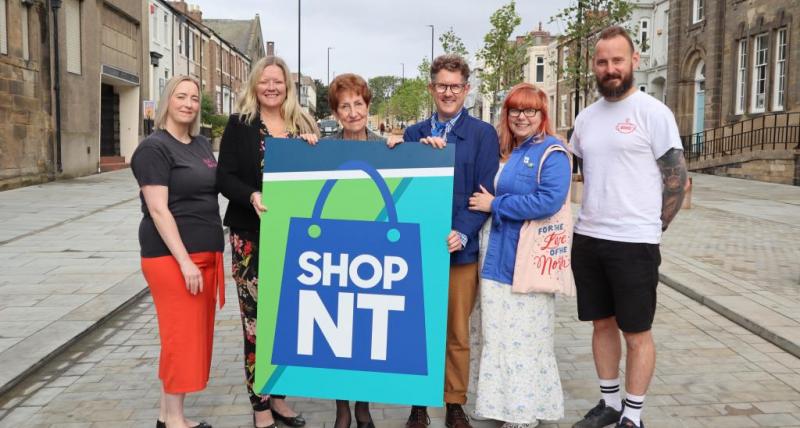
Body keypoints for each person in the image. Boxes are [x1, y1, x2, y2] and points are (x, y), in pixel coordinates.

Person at [569, 26, 688, 428]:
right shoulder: (584, 119)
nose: (610, 68)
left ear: (634, 61)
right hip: (589, 237)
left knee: (636, 331)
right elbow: (580, 169)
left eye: (617, 60)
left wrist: (654, 228)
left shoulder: (653, 113)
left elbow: (676, 177)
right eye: (602, 62)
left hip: (634, 242)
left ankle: (633, 415)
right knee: (601, 323)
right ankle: (609, 403)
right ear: (594, 66)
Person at [390, 54, 500, 428]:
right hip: (416, 252)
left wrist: (463, 230)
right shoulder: (412, 134)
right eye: (442, 85)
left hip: (459, 251)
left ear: (467, 90)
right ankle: (418, 403)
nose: (448, 92)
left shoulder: (483, 135)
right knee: (416, 330)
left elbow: (483, 194)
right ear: (431, 88)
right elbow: (401, 192)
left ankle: (454, 401)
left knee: (456, 331)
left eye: (456, 86)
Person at [216, 56, 318, 428]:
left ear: (287, 86)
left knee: (288, 321)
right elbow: (224, 178)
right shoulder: (240, 126)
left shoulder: (301, 124)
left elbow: (320, 175)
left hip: (296, 240)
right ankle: (260, 407)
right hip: (251, 237)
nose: (271, 87)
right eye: (265, 81)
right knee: (257, 324)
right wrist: (251, 197)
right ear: (255, 85)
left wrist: (313, 147)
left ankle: (279, 398)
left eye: (278, 81)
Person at [468, 83, 568, 428]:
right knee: (496, 336)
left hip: (524, 261)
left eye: (530, 111)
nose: (522, 117)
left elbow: (548, 201)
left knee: (525, 339)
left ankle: (523, 413)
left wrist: (495, 204)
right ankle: (501, 406)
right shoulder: (506, 150)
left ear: (543, 115)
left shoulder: (551, 152)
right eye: (515, 110)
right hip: (494, 256)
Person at [130, 75, 223, 428]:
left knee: (182, 338)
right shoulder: (155, 148)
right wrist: (184, 262)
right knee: (180, 338)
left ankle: (166, 416)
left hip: (203, 255)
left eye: (195, 98)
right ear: (167, 100)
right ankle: (176, 422)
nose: (188, 103)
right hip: (172, 258)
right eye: (181, 96)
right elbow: (158, 210)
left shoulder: (200, 144)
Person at [319, 72, 402, 428]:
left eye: (358, 104)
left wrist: (421, 148)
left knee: (365, 331)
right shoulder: (325, 148)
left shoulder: (387, 146)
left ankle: (363, 407)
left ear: (368, 106)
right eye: (344, 106)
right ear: (336, 113)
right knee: (337, 331)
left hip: (374, 250)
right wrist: (305, 144)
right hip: (335, 249)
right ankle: (341, 409)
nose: (352, 112)